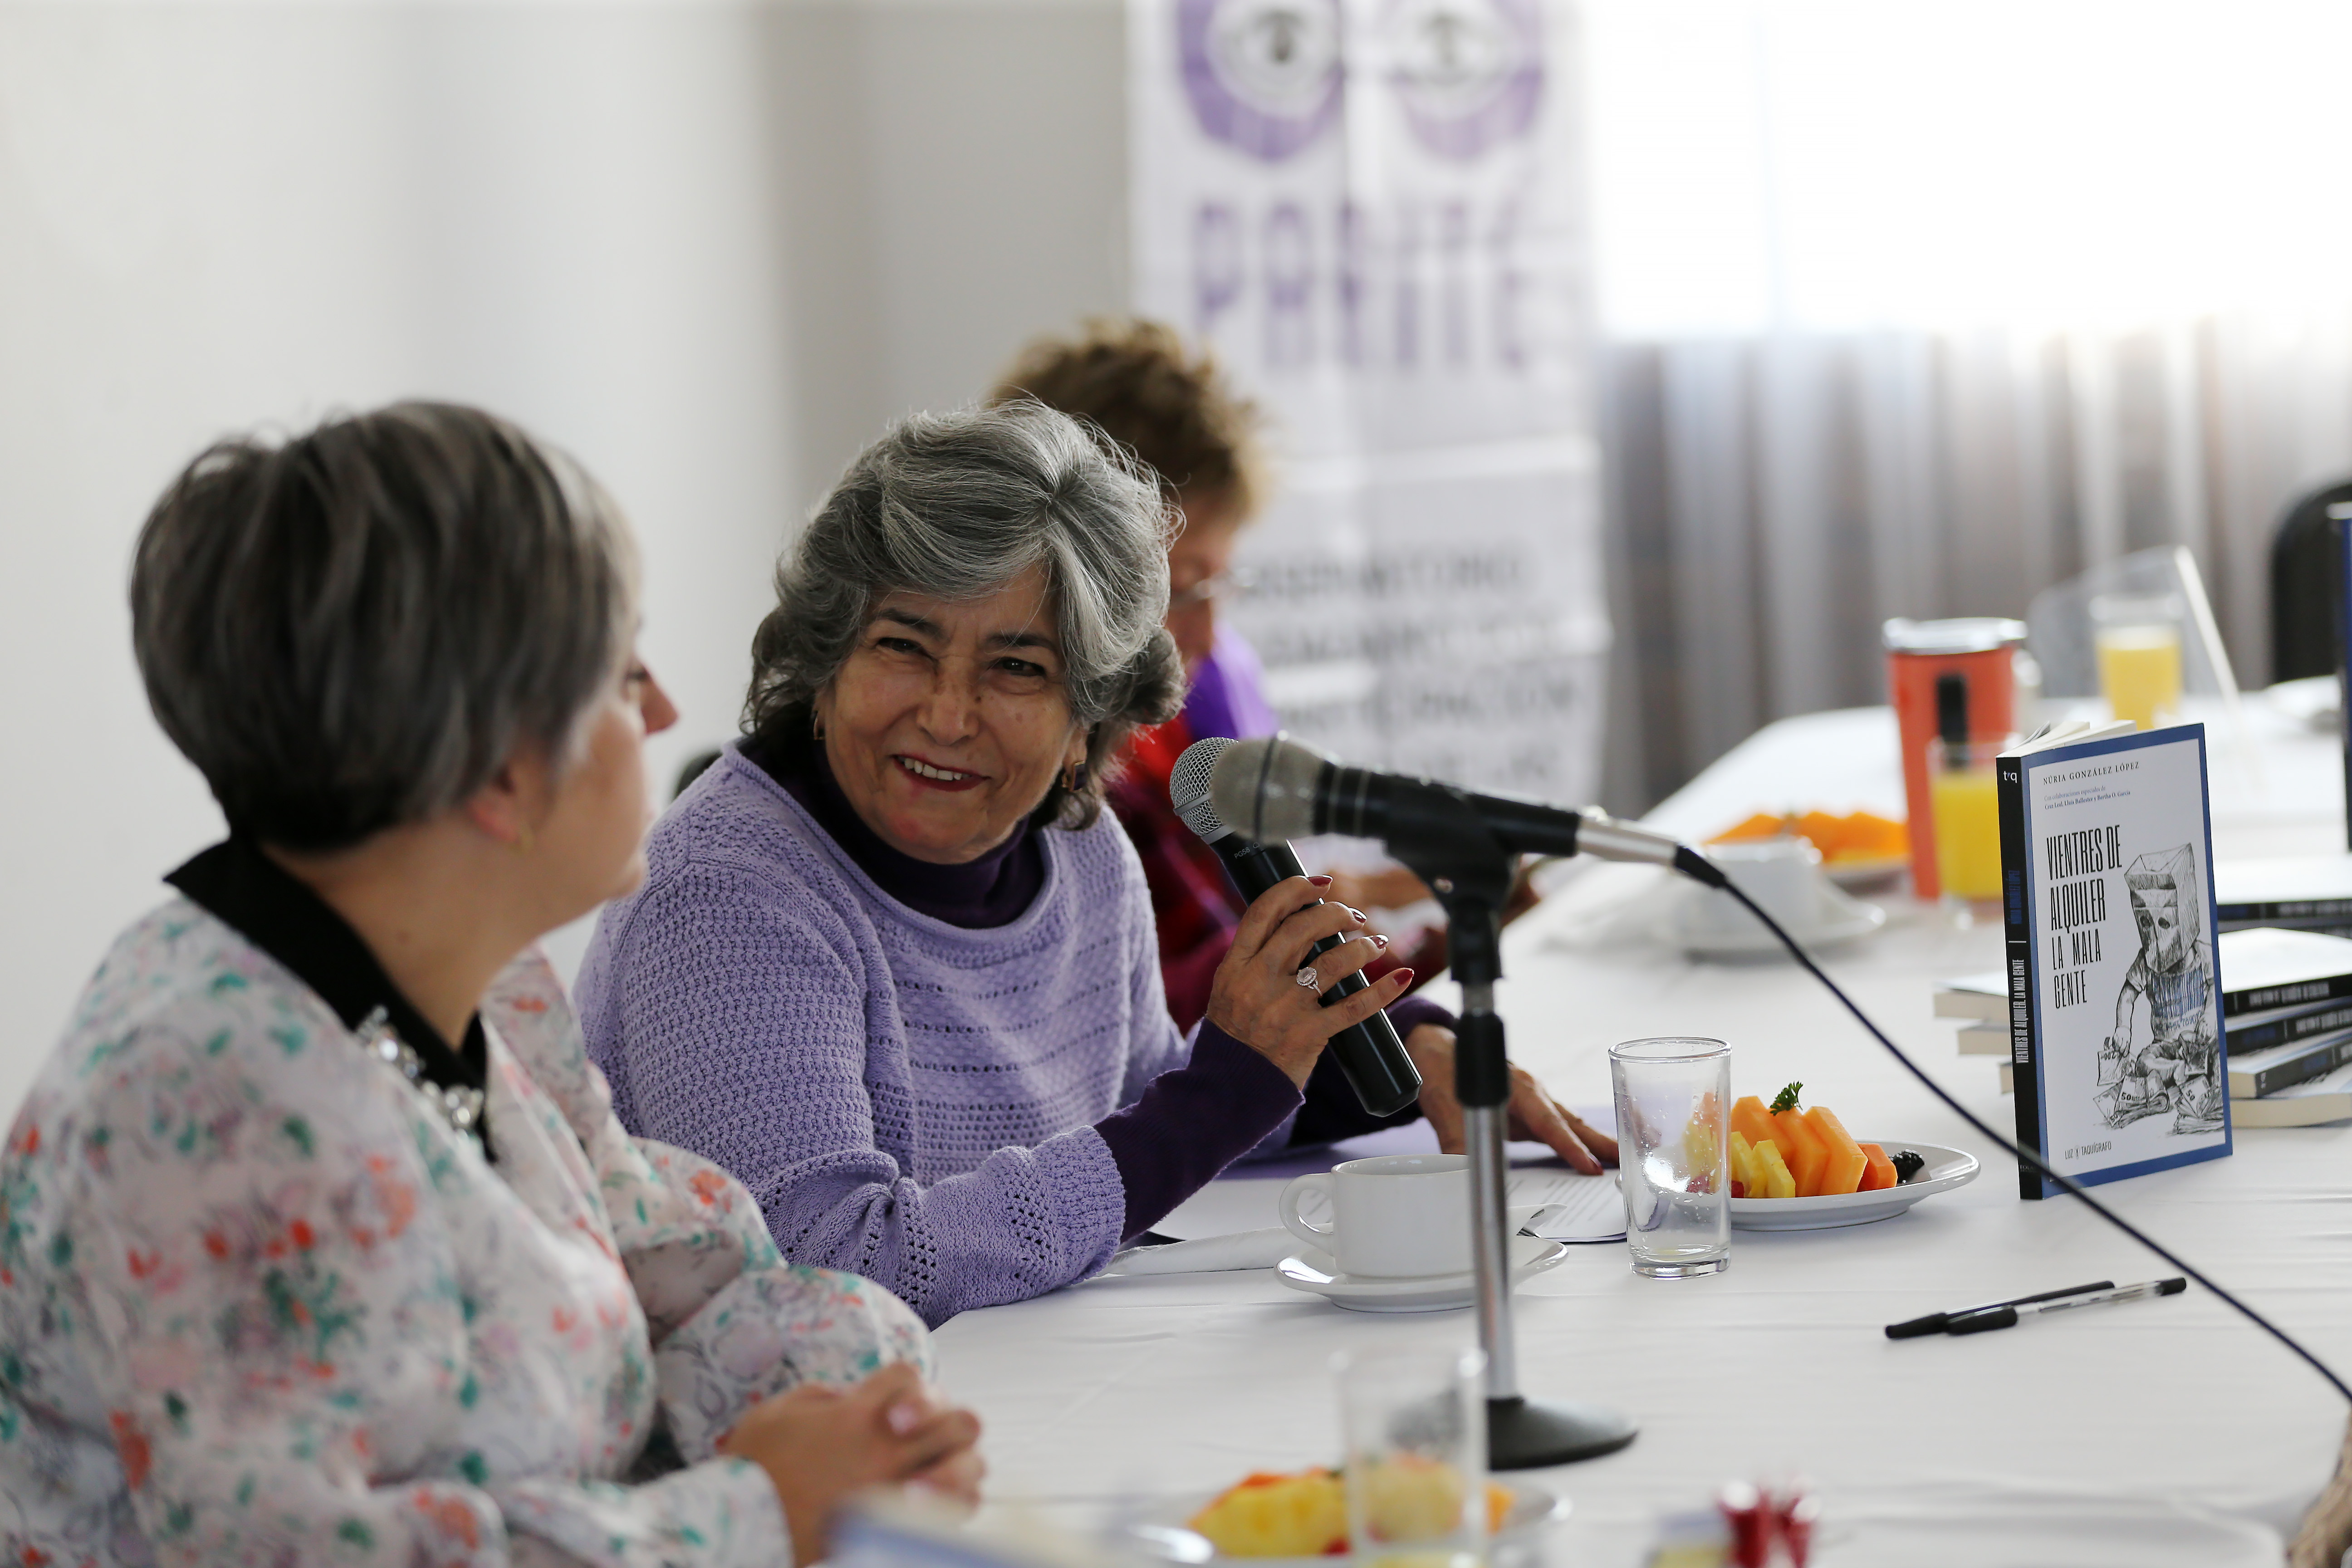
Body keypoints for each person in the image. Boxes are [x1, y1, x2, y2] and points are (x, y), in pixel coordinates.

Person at [0, 405, 980, 1568]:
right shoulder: (208, 1096)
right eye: (623, 672)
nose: (664, 713)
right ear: (501, 768)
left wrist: (865, 1426)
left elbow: (677, 1276)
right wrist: (757, 1511)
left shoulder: (474, 982)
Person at [575, 402, 1615, 1329]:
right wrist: (1210, 1105)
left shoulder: (1079, 851)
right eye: (903, 646)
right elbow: (824, 1271)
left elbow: (1132, 1107)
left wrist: (1377, 1058)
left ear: (1091, 720)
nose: (948, 713)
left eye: (1017, 667)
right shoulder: (727, 893)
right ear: (826, 657)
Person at [988, 321, 1477, 1032]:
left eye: (1219, 585)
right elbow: (1181, 1010)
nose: (1210, 634)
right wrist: (1367, 951)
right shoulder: (1062, 770)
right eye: (1184, 590)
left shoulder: (1193, 709)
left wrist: (1429, 938)